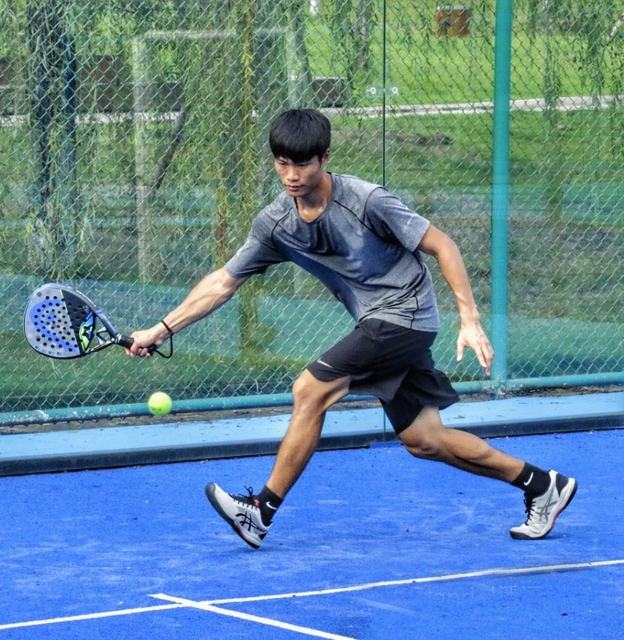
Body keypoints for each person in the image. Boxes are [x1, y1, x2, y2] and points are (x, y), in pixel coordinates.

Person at [125, 108, 576, 548]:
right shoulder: (276, 223)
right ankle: (542, 486)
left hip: (405, 315)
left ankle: (260, 511)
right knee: (424, 440)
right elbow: (223, 282)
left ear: (325, 158)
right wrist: (161, 329)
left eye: (303, 163)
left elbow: (442, 244)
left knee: (310, 389)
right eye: (283, 163)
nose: (292, 175)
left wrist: (470, 319)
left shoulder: (366, 201)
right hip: (380, 323)